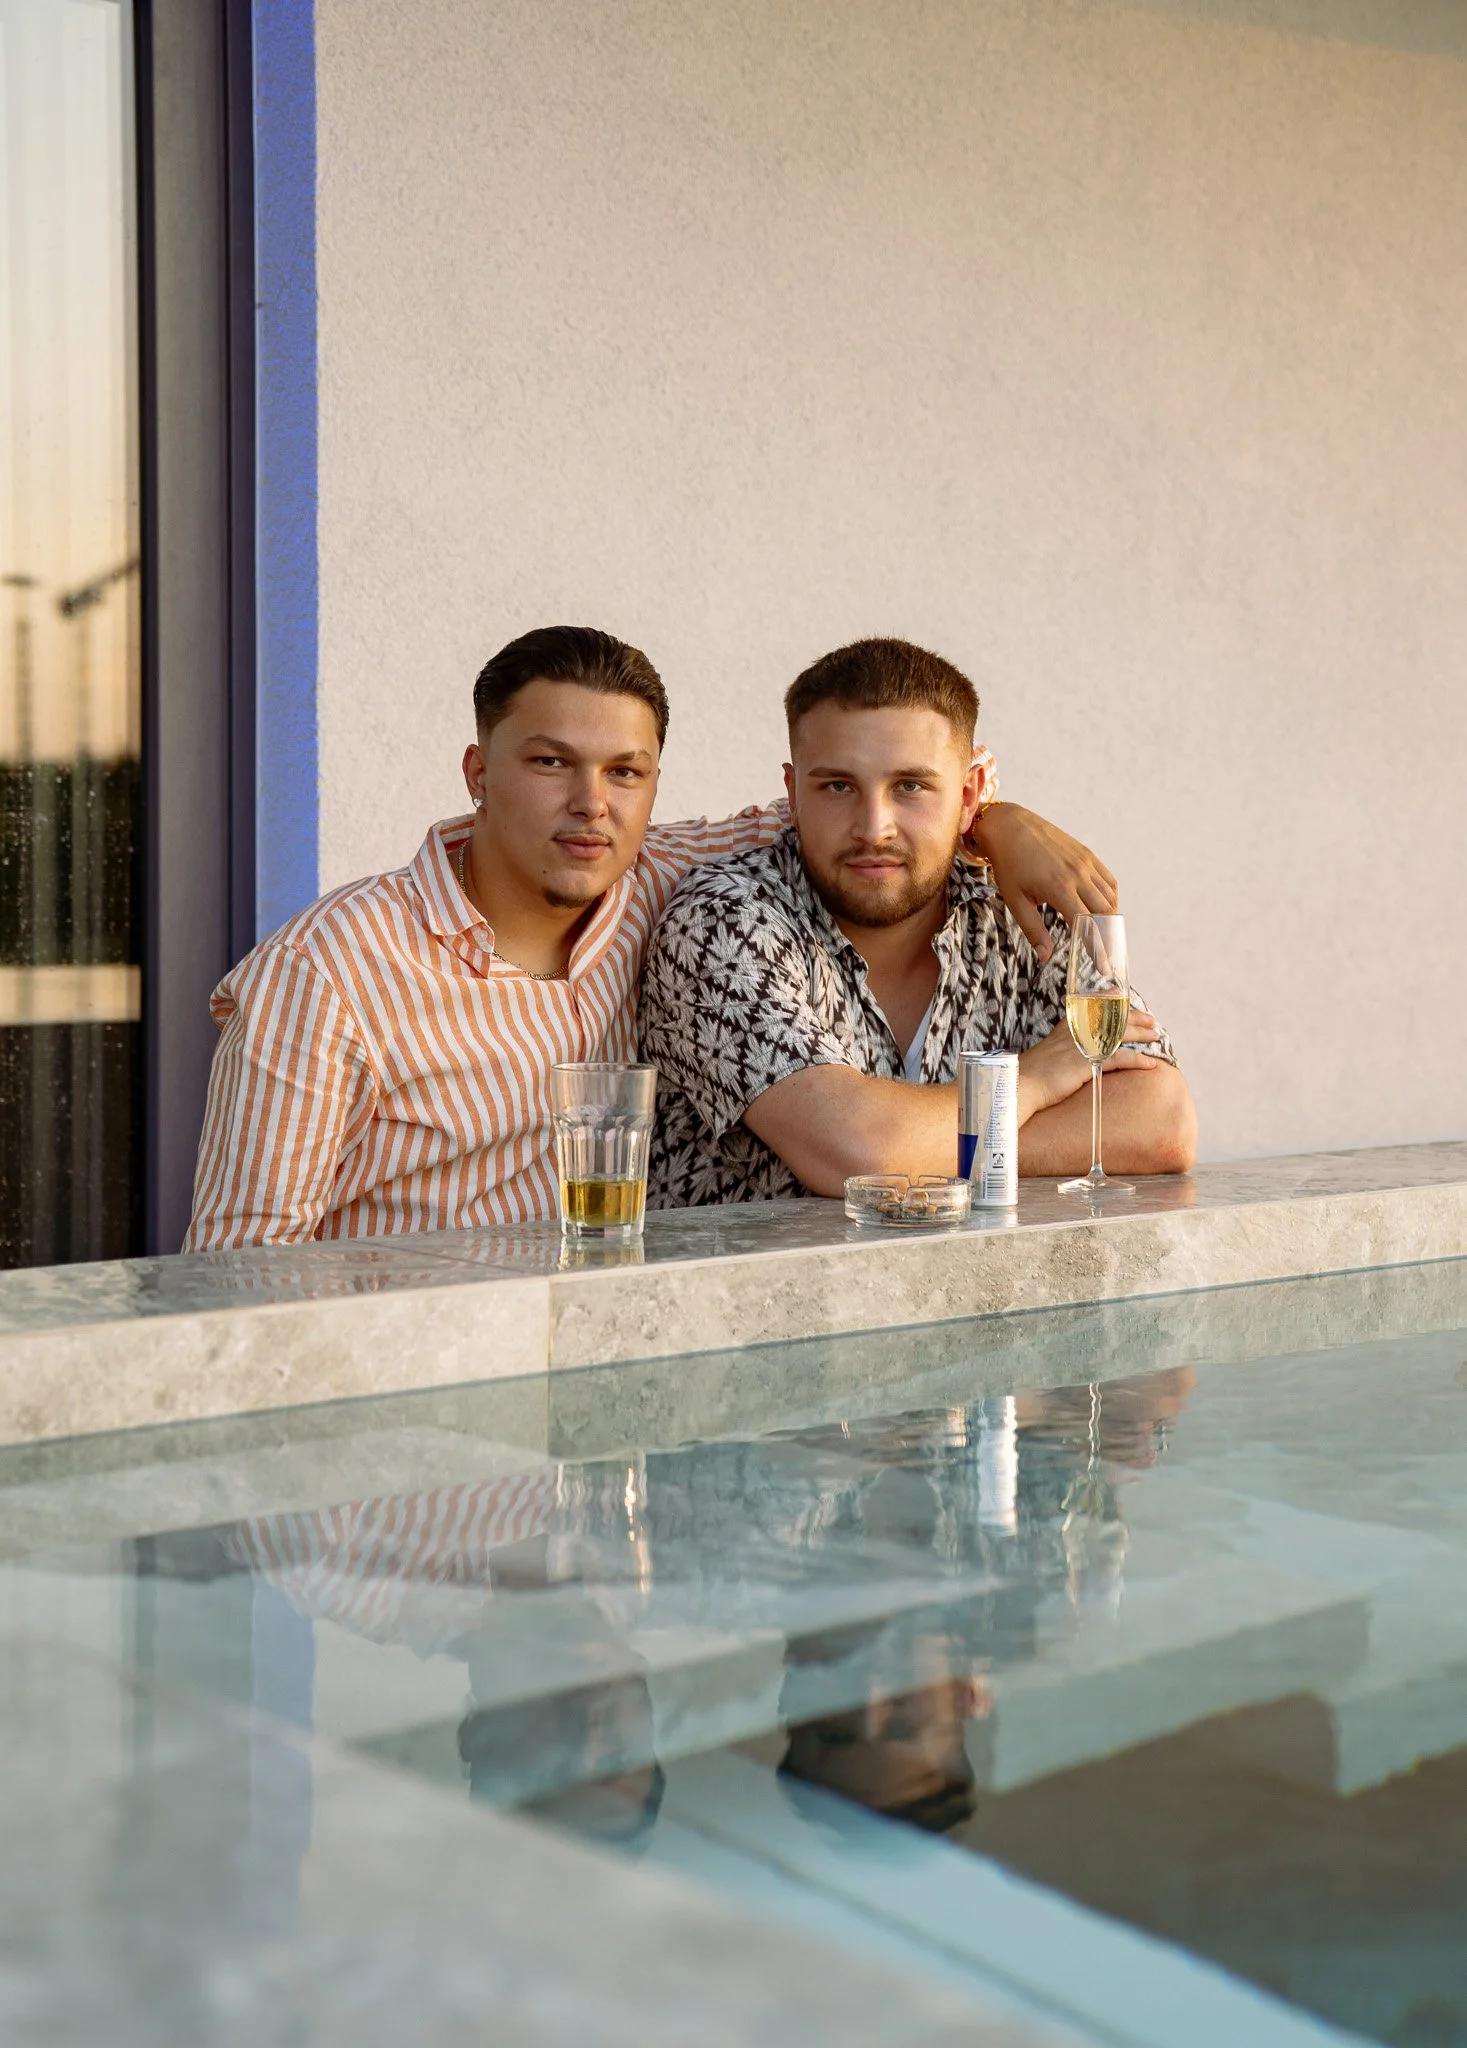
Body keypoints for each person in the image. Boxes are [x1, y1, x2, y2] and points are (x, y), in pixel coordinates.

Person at [186, 625, 1119, 1247]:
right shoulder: (327, 972)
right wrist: (1035, 1079)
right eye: (551, 763)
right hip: (407, 1418)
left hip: (596, 1389)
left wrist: (1001, 824)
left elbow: (862, 824)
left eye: (625, 772)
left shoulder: (647, 879)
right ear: (478, 771)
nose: (591, 805)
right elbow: (236, 1272)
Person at [639, 637, 1196, 1206]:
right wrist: (1032, 1081)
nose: (874, 826)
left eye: (910, 786)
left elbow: (1163, 1120)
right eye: (837, 786)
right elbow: (860, 1153)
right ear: (793, 793)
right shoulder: (720, 923)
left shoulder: (1019, 917)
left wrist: (935, 1142)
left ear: (969, 794)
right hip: (752, 1292)